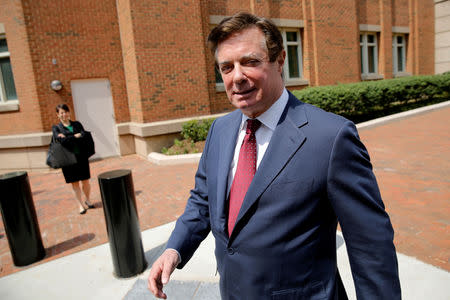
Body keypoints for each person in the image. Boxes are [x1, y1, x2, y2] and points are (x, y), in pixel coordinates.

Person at [148, 12, 401, 299]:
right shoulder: (220, 130)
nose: (237, 77)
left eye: (250, 62)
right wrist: (174, 248)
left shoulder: (331, 138)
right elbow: (203, 200)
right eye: (227, 67)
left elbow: (371, 245)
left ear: (280, 60)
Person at [52, 104, 94, 215]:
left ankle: (88, 200)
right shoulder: (56, 128)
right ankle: (80, 205)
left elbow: (84, 135)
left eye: (66, 111)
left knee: (86, 181)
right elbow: (62, 141)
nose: (64, 114)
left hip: (81, 157)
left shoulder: (77, 124)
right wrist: (76, 136)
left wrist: (68, 137)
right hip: (68, 160)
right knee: (75, 184)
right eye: (61, 112)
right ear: (58, 115)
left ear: (69, 113)